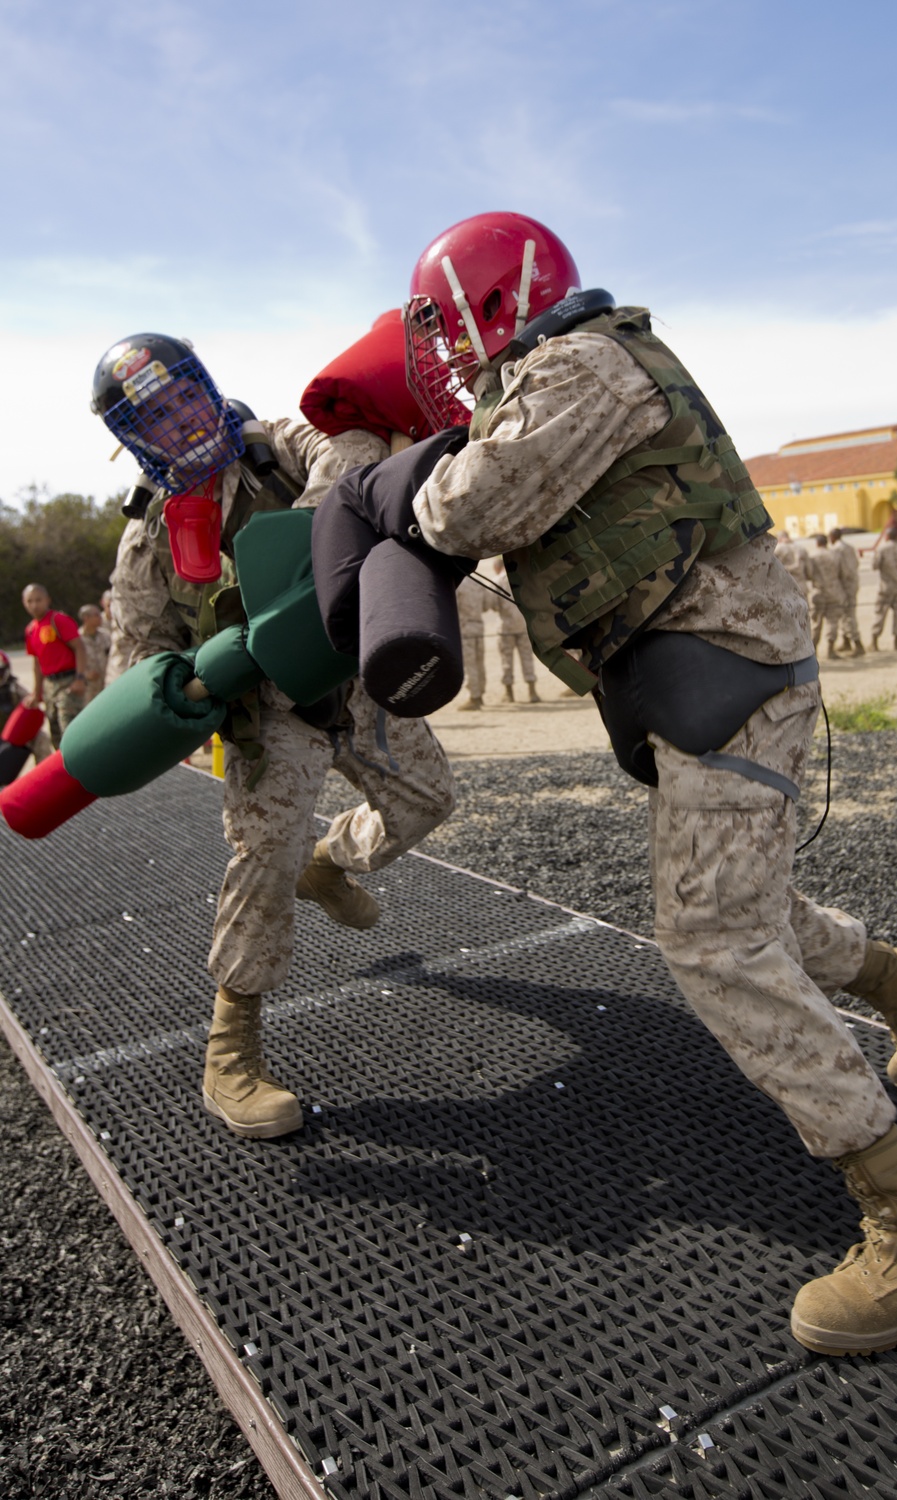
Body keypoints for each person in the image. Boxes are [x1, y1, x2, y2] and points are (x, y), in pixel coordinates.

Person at [399, 211, 897, 1355]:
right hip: (704, 671)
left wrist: (410, 485)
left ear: (497, 303)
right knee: (744, 909)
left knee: (713, 939)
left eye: (447, 325)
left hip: (728, 673)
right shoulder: (573, 367)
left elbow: (466, 511)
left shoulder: (582, 366)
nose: (446, 352)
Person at [93, 331, 455, 1140]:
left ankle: (329, 865)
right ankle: (232, 1056)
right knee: (263, 855)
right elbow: (137, 658)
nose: (179, 419)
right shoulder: (149, 536)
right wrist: (177, 694)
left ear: (206, 387)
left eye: (184, 395)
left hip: (350, 674)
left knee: (428, 801)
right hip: (263, 713)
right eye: (153, 415)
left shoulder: (275, 445)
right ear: (133, 440)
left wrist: (305, 540)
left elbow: (350, 446)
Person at [21, 584, 89, 749]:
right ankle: (64, 773)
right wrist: (36, 693)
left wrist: (80, 678)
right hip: (50, 685)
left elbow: (79, 648)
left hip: (68, 681)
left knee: (70, 731)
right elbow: (37, 663)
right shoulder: (31, 630)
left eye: (38, 600)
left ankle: (81, 771)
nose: (34, 605)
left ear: (47, 600)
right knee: (56, 734)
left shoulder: (58, 620)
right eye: (30, 601)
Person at [486, 557, 540, 703]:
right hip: (524, 626)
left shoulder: (497, 581)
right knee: (527, 659)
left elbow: (492, 604)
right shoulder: (523, 578)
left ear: (497, 567)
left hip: (506, 628)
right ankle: (532, 691)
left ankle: (509, 693)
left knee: (506, 661)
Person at [0, 650, 51, 764]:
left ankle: (44, 775)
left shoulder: (14, 688)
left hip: (13, 736)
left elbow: (32, 703)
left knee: (41, 738)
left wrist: (32, 700)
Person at [804, 533, 846, 660]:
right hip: (834, 591)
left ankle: (813, 650)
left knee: (816, 622)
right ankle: (830, 649)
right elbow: (842, 572)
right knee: (833, 621)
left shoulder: (812, 555)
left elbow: (809, 574)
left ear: (817, 543)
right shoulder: (835, 554)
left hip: (819, 592)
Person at [870, 527, 897, 651]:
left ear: (886, 537)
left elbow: (874, 566)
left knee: (880, 614)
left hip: (885, 588)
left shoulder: (882, 549)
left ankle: (874, 641)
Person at [828, 528, 864, 656]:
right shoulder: (849, 547)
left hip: (844, 585)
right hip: (853, 583)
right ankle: (846, 641)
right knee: (846, 613)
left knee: (848, 615)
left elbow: (835, 568)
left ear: (832, 537)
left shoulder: (835, 549)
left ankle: (858, 644)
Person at [455, 575, 487, 709]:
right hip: (479, 625)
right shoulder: (478, 582)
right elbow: (486, 605)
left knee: (470, 663)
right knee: (479, 662)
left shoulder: (458, 584)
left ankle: (475, 697)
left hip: (465, 626)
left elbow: (454, 606)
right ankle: (480, 691)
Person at [77, 603, 111, 703]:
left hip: (105, 684)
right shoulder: (78, 639)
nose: (100, 617)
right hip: (88, 687)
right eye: (96, 615)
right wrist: (86, 675)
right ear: (86, 618)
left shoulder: (106, 636)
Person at [773, 530, 809, 599]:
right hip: (801, 586)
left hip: (785, 587)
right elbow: (809, 570)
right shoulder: (801, 548)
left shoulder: (777, 549)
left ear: (779, 538)